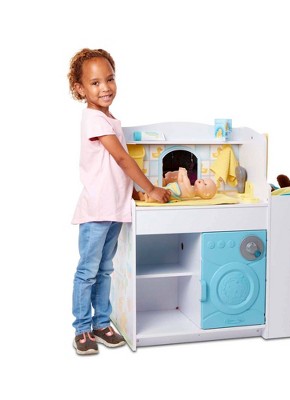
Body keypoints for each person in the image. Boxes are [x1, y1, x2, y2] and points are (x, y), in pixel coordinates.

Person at [68, 48, 170, 355]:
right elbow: (123, 160)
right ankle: (82, 329)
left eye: (109, 79)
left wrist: (133, 193)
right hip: (97, 210)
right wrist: (151, 189)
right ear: (80, 88)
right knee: (88, 271)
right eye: (95, 83)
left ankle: (102, 323)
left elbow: (113, 170)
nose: (105, 88)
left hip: (113, 208)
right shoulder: (94, 119)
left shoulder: (109, 118)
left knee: (105, 270)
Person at [135, 167, 217, 202]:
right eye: (203, 180)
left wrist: (184, 175)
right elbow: (180, 182)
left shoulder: (192, 193)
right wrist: (180, 174)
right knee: (158, 190)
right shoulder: (192, 188)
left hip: (173, 193)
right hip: (173, 188)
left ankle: (143, 197)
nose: (202, 181)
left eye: (205, 184)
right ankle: (145, 194)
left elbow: (187, 185)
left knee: (159, 195)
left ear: (206, 194)